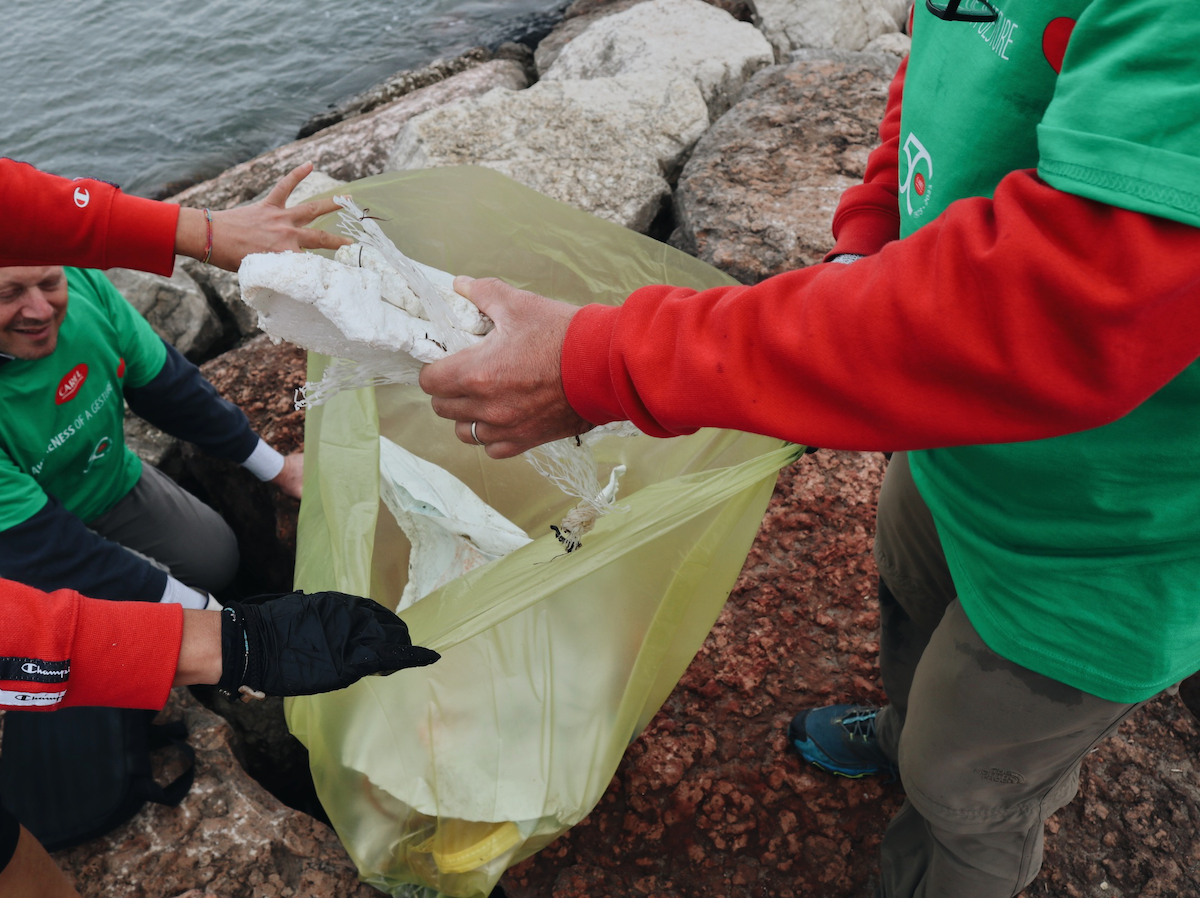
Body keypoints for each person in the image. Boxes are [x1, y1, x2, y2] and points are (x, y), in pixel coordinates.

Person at [418, 2, 1200, 896]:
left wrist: (603, 365)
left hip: (1110, 535)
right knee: (909, 604)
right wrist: (867, 236)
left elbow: (1069, 306)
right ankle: (907, 736)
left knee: (971, 789)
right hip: (950, 447)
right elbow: (951, 69)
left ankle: (939, 822)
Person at [0, 262, 300, 609]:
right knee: (139, 626)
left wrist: (278, 468)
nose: (40, 311)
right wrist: (208, 616)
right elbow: (48, 547)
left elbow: (169, 389)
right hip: (16, 537)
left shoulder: (84, 287)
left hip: (106, 482)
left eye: (50, 282)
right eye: (9, 294)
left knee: (217, 559)